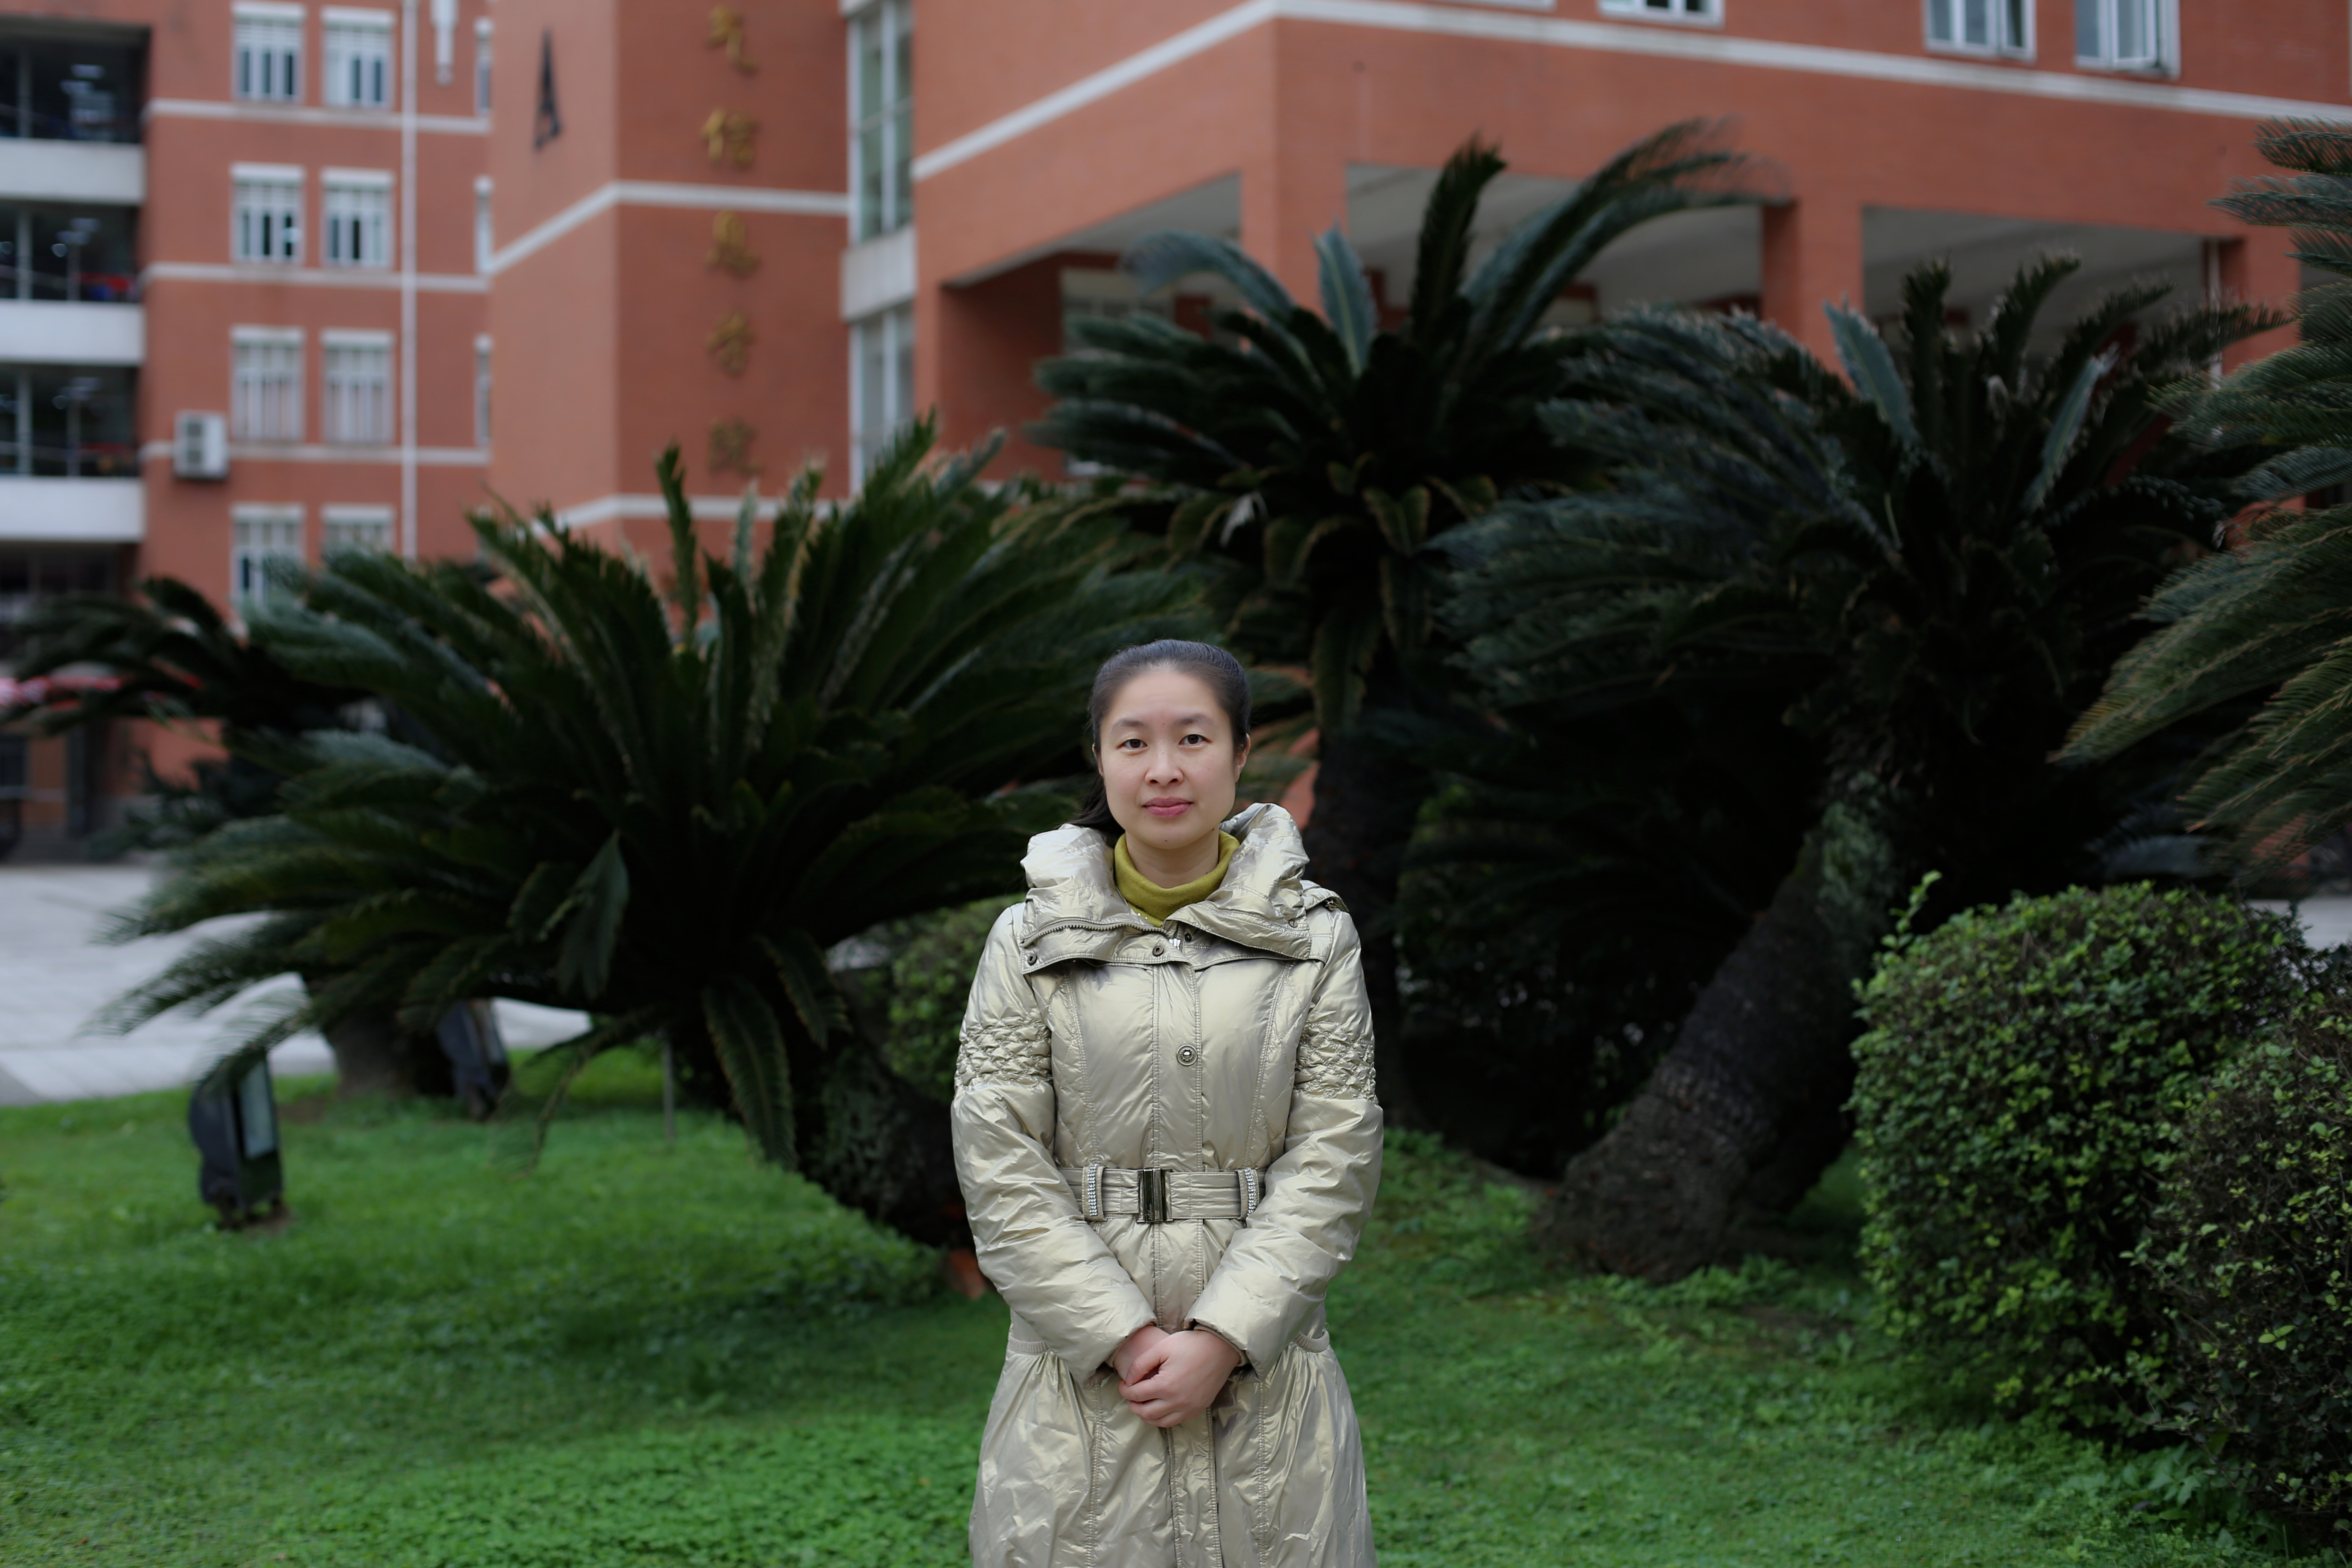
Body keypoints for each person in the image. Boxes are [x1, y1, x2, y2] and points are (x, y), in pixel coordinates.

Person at [952, 639, 1383, 1568]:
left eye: (1193, 738)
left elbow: (1336, 1155)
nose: (1164, 769)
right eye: (1133, 742)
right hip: (1078, 1378)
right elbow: (999, 1160)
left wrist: (1225, 1338)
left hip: (1268, 1372)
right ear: (1099, 757)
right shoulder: (1026, 941)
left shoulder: (1315, 939)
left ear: (1240, 752)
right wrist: (1121, 1335)